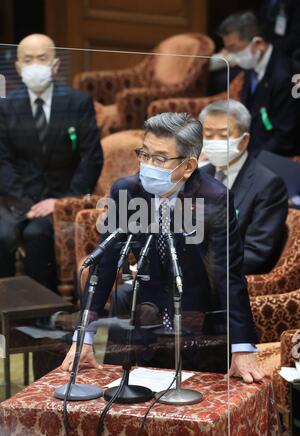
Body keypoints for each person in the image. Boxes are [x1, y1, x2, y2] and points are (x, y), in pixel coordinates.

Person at [62, 112, 264, 384]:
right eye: (144, 154)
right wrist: (84, 335)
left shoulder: (214, 199)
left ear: (189, 165)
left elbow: (229, 274)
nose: (147, 165)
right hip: (142, 317)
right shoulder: (128, 191)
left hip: (198, 325)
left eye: (159, 158)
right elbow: (105, 264)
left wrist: (241, 346)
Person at [0, 34, 103, 292]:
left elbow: (92, 158)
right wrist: (24, 203)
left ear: (55, 65)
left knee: (37, 235)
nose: (35, 64)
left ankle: (42, 313)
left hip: (61, 196)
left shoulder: (77, 102)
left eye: (42, 58)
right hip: (17, 198)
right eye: (28, 59)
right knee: (2, 236)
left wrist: (63, 201)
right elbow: (3, 160)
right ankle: (7, 312)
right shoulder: (6, 106)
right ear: (18, 67)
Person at [199, 99, 288, 275]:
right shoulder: (200, 176)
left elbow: (255, 254)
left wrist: (200, 271)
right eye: (208, 135)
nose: (214, 142)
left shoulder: (268, 185)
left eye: (224, 135)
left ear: (244, 140)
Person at [218, 10, 299, 156]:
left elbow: (284, 137)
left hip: (273, 157)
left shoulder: (286, 77)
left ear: (258, 43)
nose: (231, 56)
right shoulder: (252, 65)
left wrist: (249, 159)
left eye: (234, 48)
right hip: (250, 146)